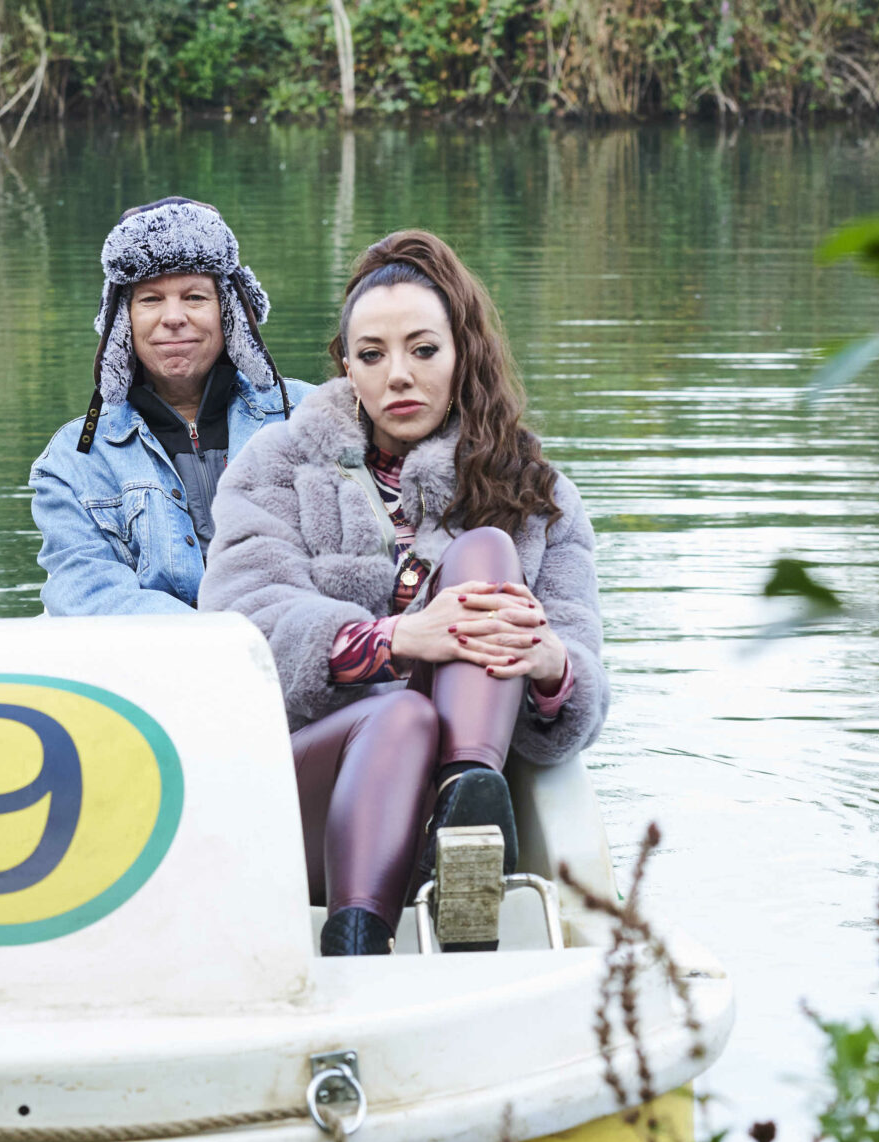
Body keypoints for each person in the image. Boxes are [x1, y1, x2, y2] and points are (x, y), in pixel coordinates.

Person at [202, 230, 606, 957]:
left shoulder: (538, 492)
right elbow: (244, 622)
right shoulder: (277, 467)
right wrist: (396, 640)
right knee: (399, 720)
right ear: (347, 368)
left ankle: (467, 819)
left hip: (458, 788)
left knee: (488, 549)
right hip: (306, 805)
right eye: (371, 355)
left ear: (463, 355)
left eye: (423, 350)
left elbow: (582, 672)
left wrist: (551, 664)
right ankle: (356, 943)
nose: (398, 376)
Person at [30, 197, 310, 615]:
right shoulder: (72, 461)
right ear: (122, 321)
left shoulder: (309, 415)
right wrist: (214, 640)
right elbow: (84, 595)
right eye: (150, 299)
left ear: (229, 313)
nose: (173, 317)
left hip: (294, 655)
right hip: (151, 671)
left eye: (195, 297)